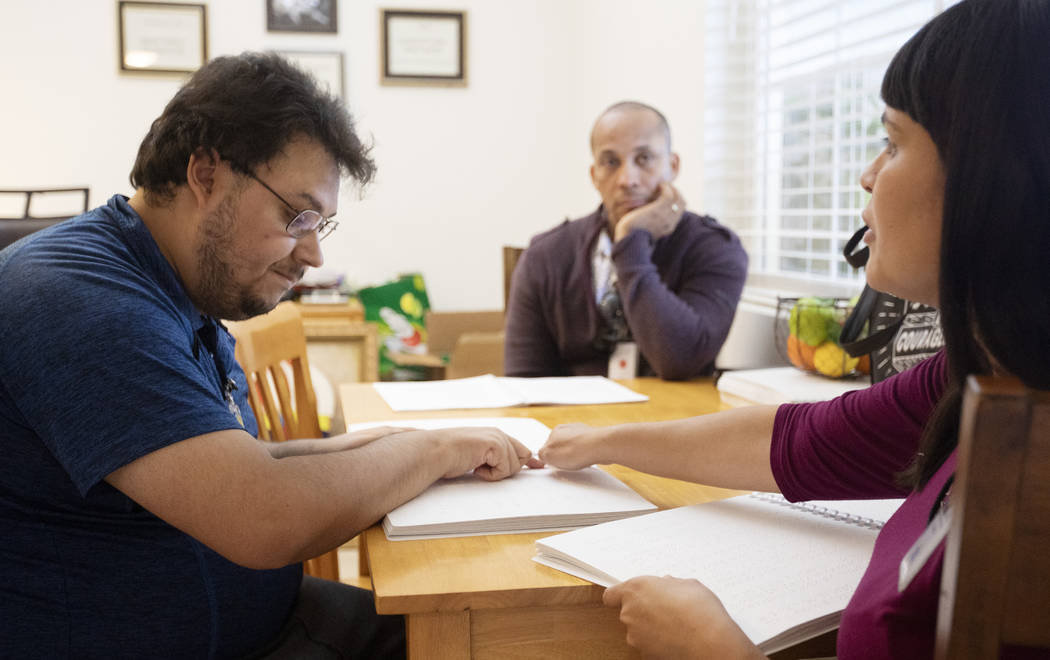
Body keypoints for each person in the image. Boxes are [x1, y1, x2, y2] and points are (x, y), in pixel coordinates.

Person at [538, 1, 1050, 658]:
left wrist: (712, 646)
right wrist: (608, 442)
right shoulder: (976, 373)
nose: (867, 173)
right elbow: (800, 441)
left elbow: (679, 354)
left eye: (891, 143)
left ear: (992, 178)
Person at [0, 52, 542, 659]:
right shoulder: (78, 300)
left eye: (320, 225)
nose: (311, 254)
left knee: (495, 631)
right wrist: (435, 449)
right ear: (206, 174)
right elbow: (264, 516)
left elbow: (234, 456)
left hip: (268, 624)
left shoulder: (175, 286)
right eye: (297, 215)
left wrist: (388, 444)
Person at [504, 101, 748, 380]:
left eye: (643, 159)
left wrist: (631, 243)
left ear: (673, 166)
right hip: (573, 421)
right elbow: (523, 385)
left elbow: (680, 360)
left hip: (674, 420)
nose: (627, 179)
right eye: (610, 162)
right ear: (594, 174)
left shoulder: (715, 248)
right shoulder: (546, 255)